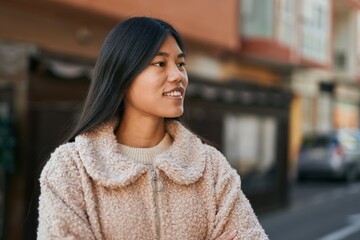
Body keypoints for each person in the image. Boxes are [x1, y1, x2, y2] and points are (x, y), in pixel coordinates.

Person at [37, 17, 268, 240]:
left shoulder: (210, 168)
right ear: (123, 75)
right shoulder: (71, 169)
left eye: (180, 64)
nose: (178, 76)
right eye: (160, 63)